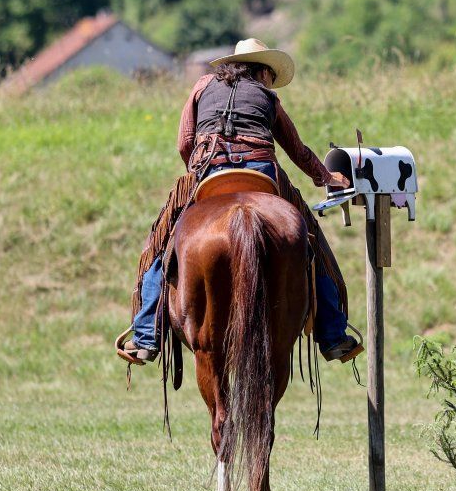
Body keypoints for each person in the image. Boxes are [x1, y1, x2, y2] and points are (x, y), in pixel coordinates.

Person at [119, 39, 362, 365]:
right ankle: (333, 336)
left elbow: (184, 143)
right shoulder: (268, 98)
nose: (270, 82)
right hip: (262, 172)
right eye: (270, 76)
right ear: (262, 70)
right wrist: (326, 177)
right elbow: (297, 150)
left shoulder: (202, 86)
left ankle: (147, 336)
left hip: (209, 169)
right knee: (310, 244)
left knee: (163, 245)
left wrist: (199, 171)